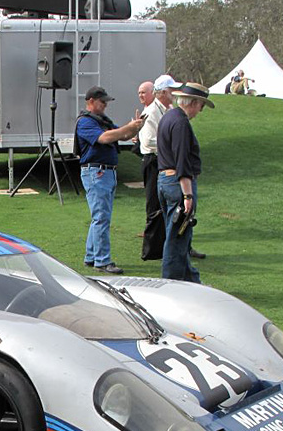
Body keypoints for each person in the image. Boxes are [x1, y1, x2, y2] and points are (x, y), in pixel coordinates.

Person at [75, 85, 144, 275]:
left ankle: (91, 257)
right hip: (96, 173)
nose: (105, 104)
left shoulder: (102, 121)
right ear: (90, 101)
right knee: (101, 218)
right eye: (102, 101)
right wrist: (127, 128)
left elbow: (123, 135)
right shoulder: (85, 122)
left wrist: (135, 127)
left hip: (105, 173)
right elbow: (105, 138)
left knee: (100, 216)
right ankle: (102, 261)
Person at [156, 82, 214, 283]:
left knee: (179, 235)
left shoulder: (169, 117)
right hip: (176, 184)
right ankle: (171, 284)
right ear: (194, 103)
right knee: (177, 238)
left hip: (165, 181)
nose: (200, 111)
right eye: (201, 105)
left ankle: (191, 280)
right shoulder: (180, 123)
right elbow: (182, 160)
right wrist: (188, 195)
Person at [138, 75, 181, 261]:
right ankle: (151, 251)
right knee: (154, 205)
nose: (174, 94)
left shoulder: (168, 109)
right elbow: (147, 140)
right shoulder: (151, 111)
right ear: (163, 93)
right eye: (171, 91)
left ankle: (174, 245)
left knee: (170, 205)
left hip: (164, 160)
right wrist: (171, 144)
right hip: (153, 161)